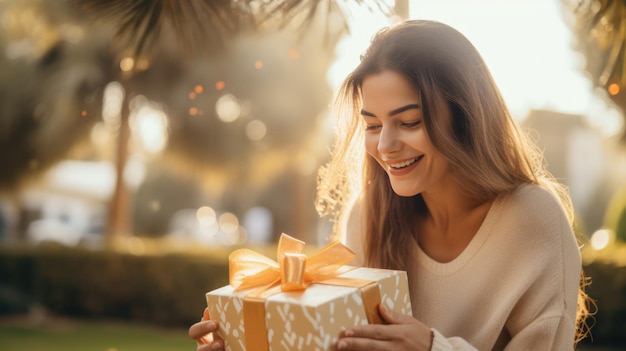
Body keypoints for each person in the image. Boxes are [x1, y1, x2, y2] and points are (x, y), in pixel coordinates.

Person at [189, 19, 592, 350]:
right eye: (372, 125)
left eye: (409, 122)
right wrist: (250, 341)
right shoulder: (367, 215)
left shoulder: (534, 220)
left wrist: (432, 348)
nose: (384, 146)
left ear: (464, 116)